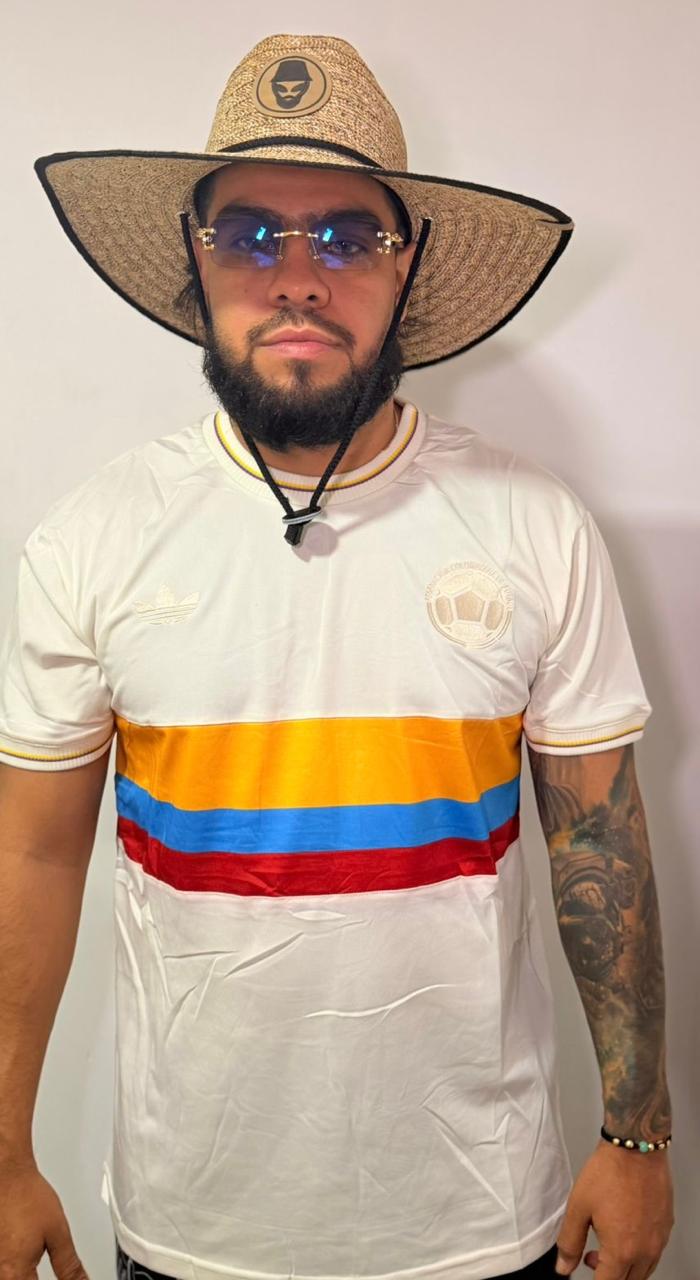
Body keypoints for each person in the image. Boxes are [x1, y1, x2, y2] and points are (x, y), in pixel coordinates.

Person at [0, 31, 674, 1280]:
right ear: (195, 263)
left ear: (405, 266)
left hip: (481, 1218)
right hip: (192, 1225)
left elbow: (601, 843)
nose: (299, 279)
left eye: (347, 236)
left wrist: (636, 1135)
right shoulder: (93, 537)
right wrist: (1, 1154)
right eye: (250, 234)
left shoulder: (534, 524)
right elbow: (31, 853)